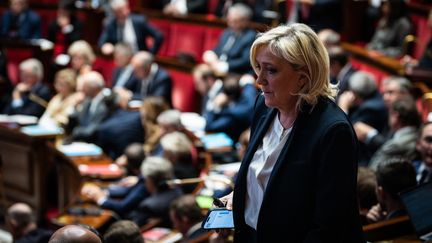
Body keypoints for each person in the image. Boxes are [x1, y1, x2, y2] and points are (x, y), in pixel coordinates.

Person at [217, 23, 364, 242]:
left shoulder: (333, 131)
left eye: (271, 70)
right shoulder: (264, 105)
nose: (259, 80)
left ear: (303, 77)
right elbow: (263, 178)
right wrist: (238, 199)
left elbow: (329, 227)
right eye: (258, 68)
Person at [202, 3, 256, 75]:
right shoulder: (227, 32)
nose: (230, 24)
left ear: (244, 21)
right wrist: (211, 54)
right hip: (217, 66)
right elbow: (218, 49)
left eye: (234, 21)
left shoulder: (251, 36)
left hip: (234, 72)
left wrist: (226, 66)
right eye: (229, 20)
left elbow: (245, 61)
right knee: (201, 71)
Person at [368, 98, 421, 170]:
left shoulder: (395, 144)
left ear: (395, 116)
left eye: (389, 114)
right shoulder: (418, 135)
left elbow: (372, 170)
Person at [98, 0, 163, 55]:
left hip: (137, 58)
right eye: (119, 11)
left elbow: (159, 36)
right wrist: (105, 46)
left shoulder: (139, 21)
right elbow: (101, 42)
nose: (124, 13)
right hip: (121, 60)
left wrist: (150, 54)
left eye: (124, 9)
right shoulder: (111, 24)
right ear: (114, 12)